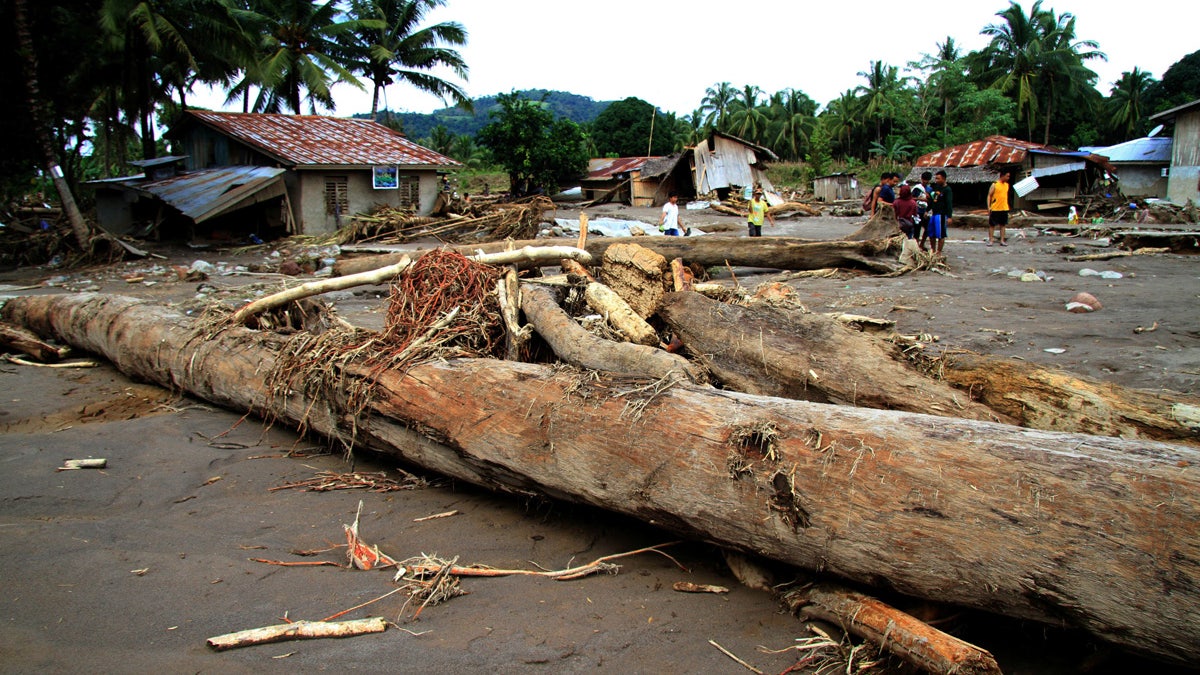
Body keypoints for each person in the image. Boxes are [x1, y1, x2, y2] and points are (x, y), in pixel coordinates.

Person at [927, 170, 953, 256]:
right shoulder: (936, 187)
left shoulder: (947, 190)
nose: (936, 180)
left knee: (941, 234)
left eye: (938, 179)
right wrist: (927, 210)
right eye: (936, 178)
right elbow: (932, 200)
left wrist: (949, 216)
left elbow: (949, 203)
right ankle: (933, 250)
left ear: (944, 179)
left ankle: (939, 251)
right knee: (931, 233)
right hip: (934, 213)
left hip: (941, 214)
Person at [986, 170, 1012, 246]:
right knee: (992, 225)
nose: (1008, 178)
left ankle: (1002, 240)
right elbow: (989, 196)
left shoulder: (1007, 185)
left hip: (1004, 208)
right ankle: (991, 240)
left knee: (1003, 225)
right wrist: (989, 207)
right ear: (1002, 176)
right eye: (1007, 176)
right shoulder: (995, 185)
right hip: (995, 208)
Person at [912, 171, 932, 250]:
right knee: (917, 230)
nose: (925, 182)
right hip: (917, 211)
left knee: (928, 228)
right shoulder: (917, 188)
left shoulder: (929, 189)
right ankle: (916, 246)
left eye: (927, 180)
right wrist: (920, 198)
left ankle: (922, 244)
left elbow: (930, 201)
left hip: (924, 212)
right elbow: (911, 198)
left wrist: (927, 211)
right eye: (924, 180)